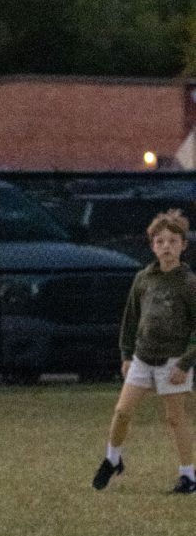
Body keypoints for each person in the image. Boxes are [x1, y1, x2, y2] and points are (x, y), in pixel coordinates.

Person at [92, 208, 196, 493]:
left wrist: (184, 364)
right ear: (152, 245)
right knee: (122, 412)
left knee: (176, 419)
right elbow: (131, 320)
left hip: (172, 361)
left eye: (173, 241)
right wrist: (127, 354)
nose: (166, 247)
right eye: (160, 241)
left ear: (183, 246)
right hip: (142, 358)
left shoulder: (188, 283)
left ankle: (188, 475)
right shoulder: (143, 279)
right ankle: (113, 459)